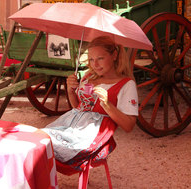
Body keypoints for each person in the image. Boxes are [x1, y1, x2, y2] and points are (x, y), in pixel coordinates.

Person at [41, 36, 138, 173]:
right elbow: (78, 108)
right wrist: (70, 91)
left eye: (100, 58)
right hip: (71, 124)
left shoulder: (126, 85)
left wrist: (107, 104)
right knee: (38, 139)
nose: (95, 64)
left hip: (90, 135)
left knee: (45, 145)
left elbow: (129, 126)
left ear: (114, 55)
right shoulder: (88, 77)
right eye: (91, 59)